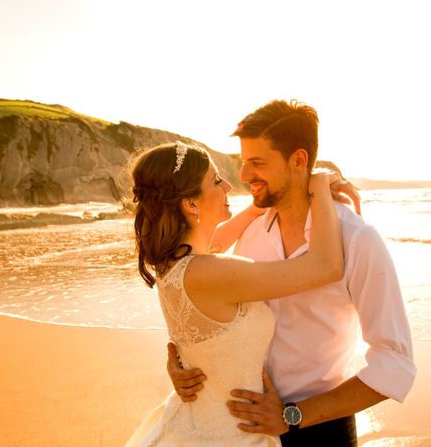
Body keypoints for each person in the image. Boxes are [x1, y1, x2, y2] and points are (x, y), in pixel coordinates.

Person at [167, 100, 417, 446]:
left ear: (298, 161)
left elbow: (395, 363)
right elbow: (203, 299)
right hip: (243, 427)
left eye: (257, 163)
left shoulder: (358, 241)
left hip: (322, 428)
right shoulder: (251, 235)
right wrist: (183, 361)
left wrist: (292, 416)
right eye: (243, 162)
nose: (243, 176)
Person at [124, 141, 345, 446]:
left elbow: (215, 243)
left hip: (194, 423)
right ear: (190, 204)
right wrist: (319, 183)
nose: (228, 184)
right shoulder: (213, 272)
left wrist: (259, 205)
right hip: (232, 435)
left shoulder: (171, 266)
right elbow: (325, 267)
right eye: (216, 181)